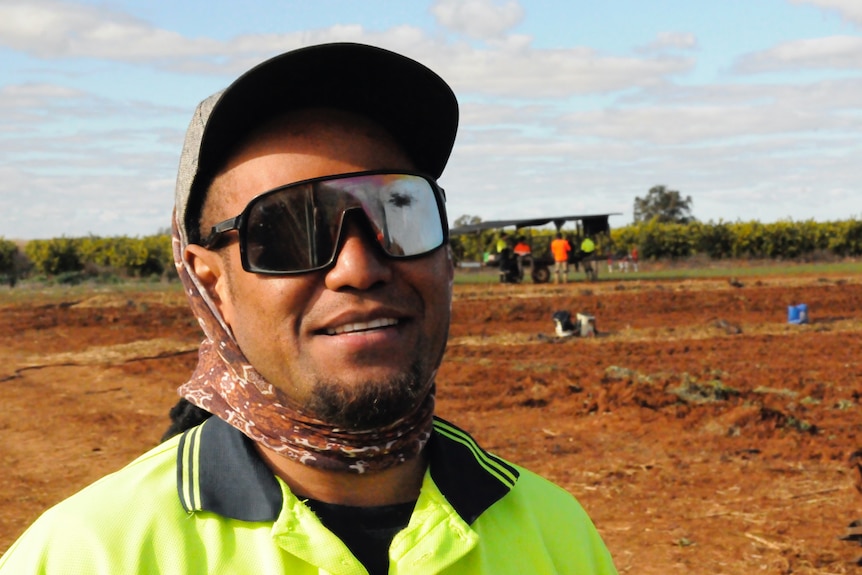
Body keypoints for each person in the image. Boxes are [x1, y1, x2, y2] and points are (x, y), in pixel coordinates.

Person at [0, 43, 617, 575]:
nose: (359, 267)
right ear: (212, 285)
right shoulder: (90, 554)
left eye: (398, 211)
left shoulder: (555, 534)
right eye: (289, 231)